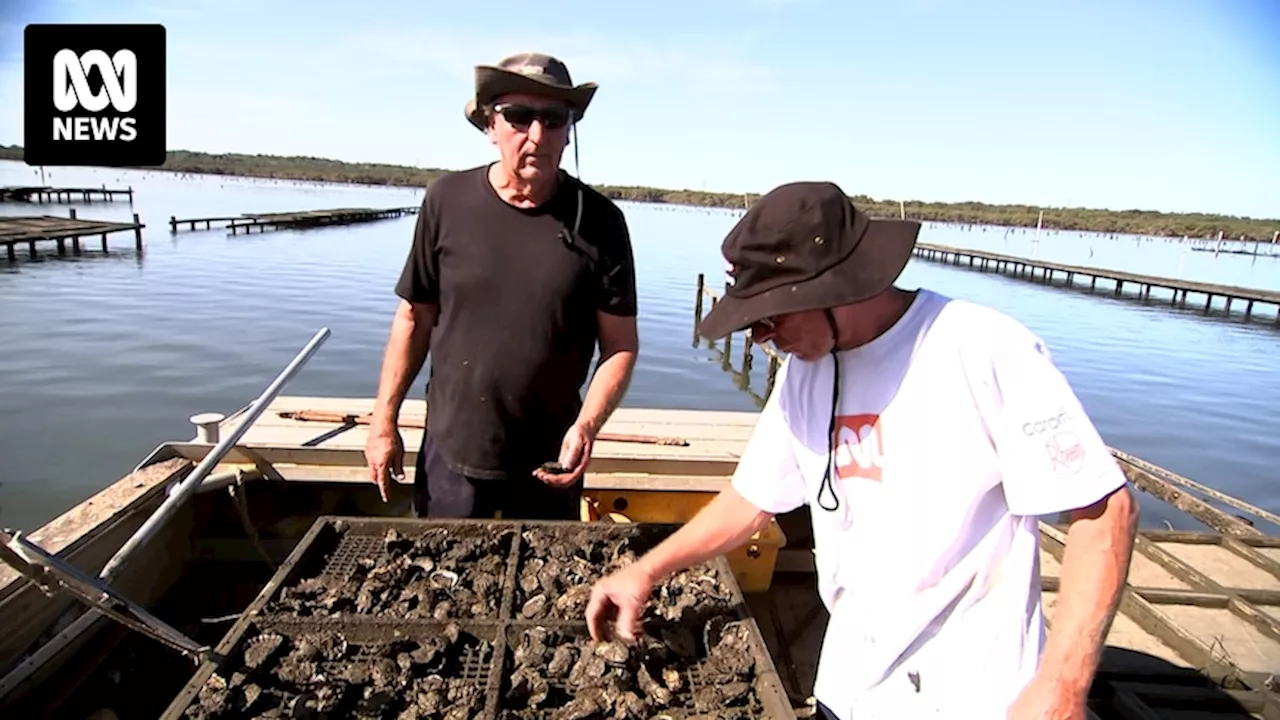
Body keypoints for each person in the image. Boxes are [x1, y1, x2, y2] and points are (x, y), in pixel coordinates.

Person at [585, 181, 1138, 719]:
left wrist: (1062, 686)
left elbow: (1104, 509)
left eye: (769, 319)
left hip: (973, 691)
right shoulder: (804, 372)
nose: (762, 339)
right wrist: (648, 570)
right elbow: (750, 501)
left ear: (836, 288)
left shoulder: (984, 349)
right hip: (850, 684)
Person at [364, 52, 639, 521]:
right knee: (439, 584)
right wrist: (383, 421)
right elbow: (414, 318)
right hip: (452, 453)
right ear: (491, 126)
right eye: (518, 117)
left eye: (553, 119)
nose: (537, 135)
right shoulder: (446, 201)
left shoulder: (601, 223)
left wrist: (587, 425)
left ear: (569, 131)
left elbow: (620, 346)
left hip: (552, 461)